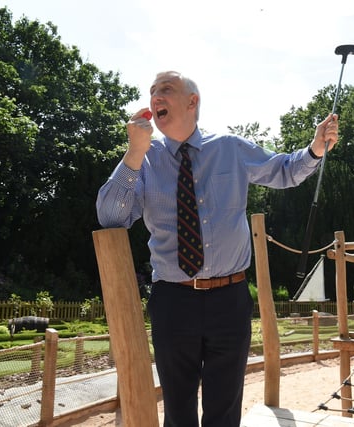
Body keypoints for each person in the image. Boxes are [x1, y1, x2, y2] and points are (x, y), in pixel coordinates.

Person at [96, 70, 339, 427]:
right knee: (178, 412)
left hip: (230, 298)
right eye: (152, 93)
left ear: (192, 102)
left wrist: (316, 147)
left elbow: (285, 171)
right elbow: (110, 217)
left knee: (224, 411)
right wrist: (133, 153)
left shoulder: (229, 147)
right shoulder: (143, 159)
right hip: (172, 300)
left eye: (166, 90)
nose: (155, 98)